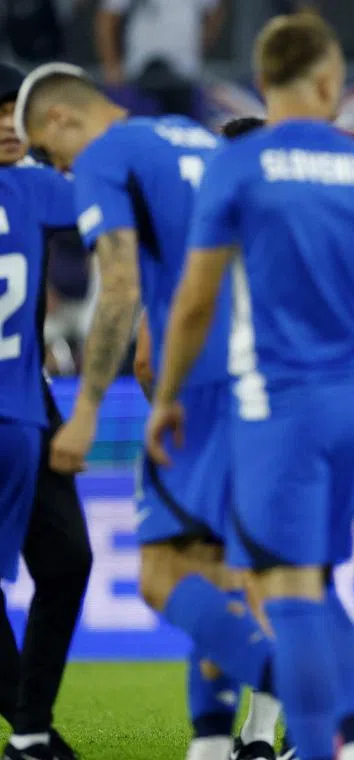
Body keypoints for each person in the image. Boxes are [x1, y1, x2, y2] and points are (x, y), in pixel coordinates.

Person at [144, 12, 354, 760]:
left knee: (280, 587)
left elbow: (192, 302)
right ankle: (352, 743)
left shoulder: (241, 164)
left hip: (281, 406)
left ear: (261, 82)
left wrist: (165, 398)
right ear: (328, 81)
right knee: (315, 584)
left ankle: (310, 743)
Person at [15, 62, 282, 760]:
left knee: (166, 578)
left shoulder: (108, 156)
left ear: (60, 122)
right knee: (221, 575)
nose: (61, 169)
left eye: (53, 154)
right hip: (276, 380)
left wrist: (88, 409)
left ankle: (321, 695)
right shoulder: (197, 141)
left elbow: (121, 287)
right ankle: (221, 744)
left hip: (207, 387)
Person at [0, 64, 88, 760]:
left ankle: (29, 725)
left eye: (14, 112)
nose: (8, 125)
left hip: (29, 398)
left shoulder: (31, 183)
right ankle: (31, 729)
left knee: (68, 562)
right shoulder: (34, 186)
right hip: (23, 405)